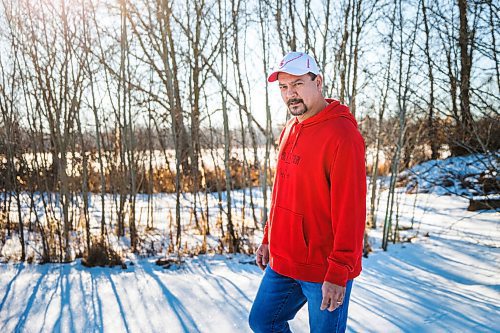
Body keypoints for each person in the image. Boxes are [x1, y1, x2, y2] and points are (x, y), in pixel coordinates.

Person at [248, 51, 366, 333]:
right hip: (284, 259)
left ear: (319, 82)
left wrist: (339, 271)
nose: (291, 94)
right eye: (284, 87)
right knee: (263, 321)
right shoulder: (290, 128)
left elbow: (351, 210)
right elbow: (282, 192)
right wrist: (268, 237)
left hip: (324, 269)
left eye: (298, 83)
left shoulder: (342, 135)